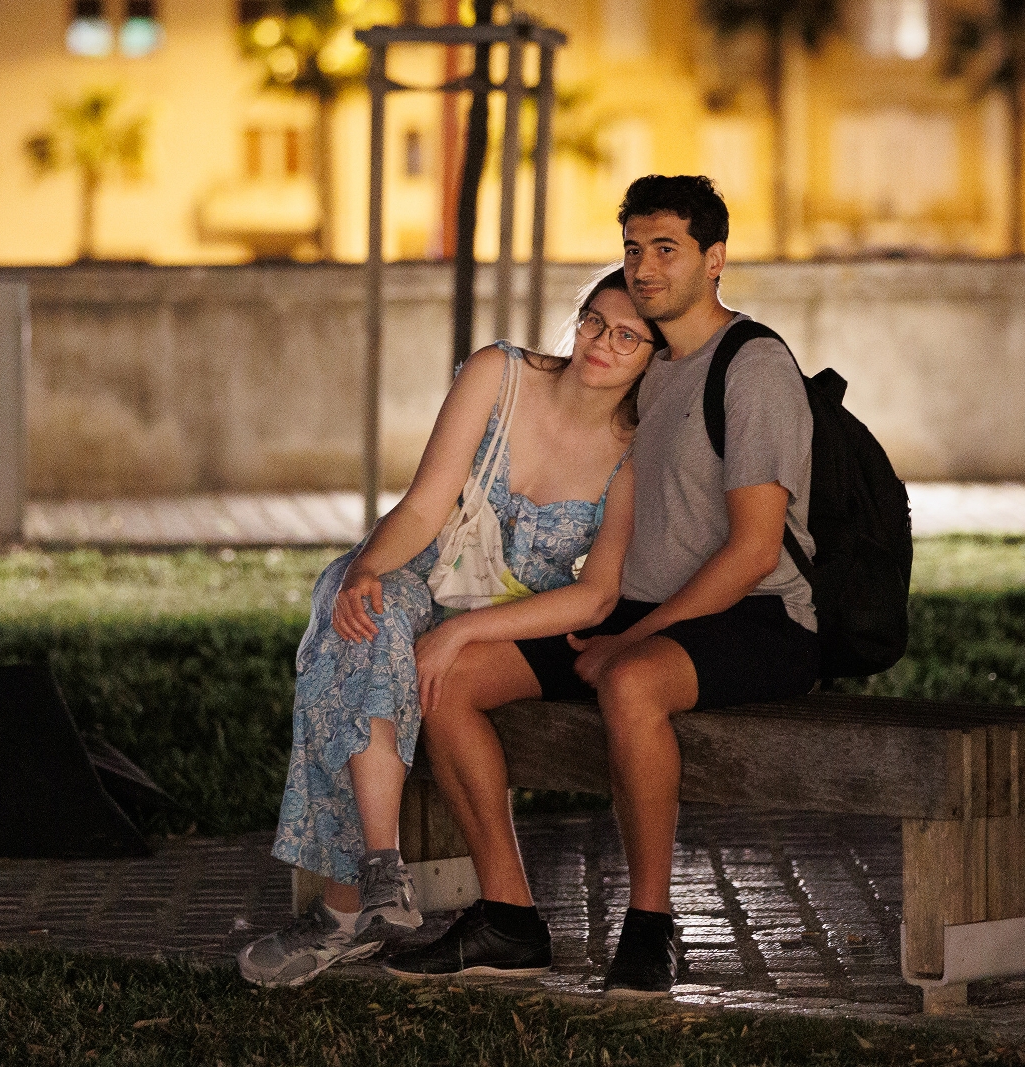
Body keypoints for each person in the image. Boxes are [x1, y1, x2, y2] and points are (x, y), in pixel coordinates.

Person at [391, 175, 819, 997]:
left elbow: (753, 551)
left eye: (667, 249)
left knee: (629, 682)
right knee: (447, 676)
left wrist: (631, 639)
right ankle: (509, 917)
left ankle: (650, 924)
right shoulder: (645, 363)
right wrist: (468, 625)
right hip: (639, 610)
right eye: (633, 249)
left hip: (761, 616)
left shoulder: (754, 367)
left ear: (715, 259)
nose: (645, 267)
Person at [236, 267, 657, 987]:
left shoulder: (635, 454)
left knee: (368, 651)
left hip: (510, 618)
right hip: (424, 569)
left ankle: (343, 915)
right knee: (358, 618)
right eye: (594, 321)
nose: (601, 343)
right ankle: (382, 868)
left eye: (627, 337)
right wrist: (367, 568)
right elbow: (426, 505)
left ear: (653, 356)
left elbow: (594, 598)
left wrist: (462, 634)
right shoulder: (499, 374)